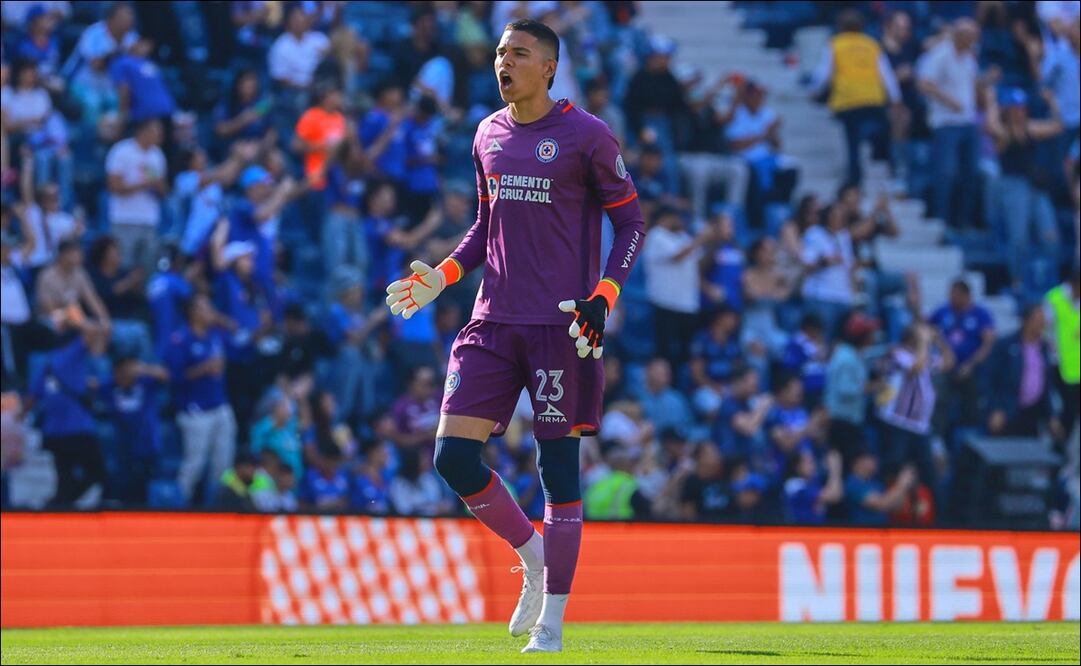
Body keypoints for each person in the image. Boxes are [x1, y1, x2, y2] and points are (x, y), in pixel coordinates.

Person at [383, 19, 644, 653]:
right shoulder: (486, 133)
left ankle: (552, 624)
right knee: (452, 457)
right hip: (492, 320)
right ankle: (531, 555)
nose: (505, 62)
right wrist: (441, 278)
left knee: (558, 472)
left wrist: (602, 298)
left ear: (549, 67)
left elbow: (632, 223)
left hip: (559, 325)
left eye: (519, 54)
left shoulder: (587, 136)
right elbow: (483, 226)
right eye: (501, 52)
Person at [811, 10, 900, 185]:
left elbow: (824, 72)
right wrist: (896, 97)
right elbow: (886, 73)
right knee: (876, 130)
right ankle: (887, 163)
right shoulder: (871, 44)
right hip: (872, 97)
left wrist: (814, 90)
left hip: (848, 99)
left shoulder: (836, 44)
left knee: (852, 141)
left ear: (840, 27)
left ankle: (855, 176)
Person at [167, 293, 237, 506]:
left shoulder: (215, 335)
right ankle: (179, 507)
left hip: (220, 406)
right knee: (194, 464)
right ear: (193, 313)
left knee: (223, 464)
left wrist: (224, 321)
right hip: (195, 411)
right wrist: (203, 369)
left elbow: (239, 341)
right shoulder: (181, 339)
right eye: (204, 308)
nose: (209, 312)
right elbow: (173, 376)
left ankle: (217, 507)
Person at [918, 18, 981, 229]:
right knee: (946, 173)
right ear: (959, 35)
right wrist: (949, 101)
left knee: (970, 174)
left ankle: (962, 222)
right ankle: (942, 221)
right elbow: (924, 83)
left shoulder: (970, 58)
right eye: (970, 36)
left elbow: (971, 86)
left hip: (968, 122)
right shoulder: (941, 54)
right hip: (946, 123)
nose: (974, 40)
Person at [643, 206, 710, 369]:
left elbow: (699, 263)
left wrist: (711, 242)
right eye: (676, 217)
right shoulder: (656, 235)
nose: (680, 221)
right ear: (665, 218)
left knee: (685, 355)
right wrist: (701, 239)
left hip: (687, 305)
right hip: (665, 303)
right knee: (664, 353)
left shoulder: (683, 237)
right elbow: (677, 256)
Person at [987, 305, 1061, 439]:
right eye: (1039, 319)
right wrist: (996, 408)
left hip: (1033, 414)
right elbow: (989, 379)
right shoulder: (1006, 345)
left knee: (1030, 454)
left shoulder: (1045, 348)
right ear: (1027, 321)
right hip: (1007, 411)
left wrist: (1051, 416)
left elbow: (1046, 384)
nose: (1043, 323)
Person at [930, 279, 995, 429]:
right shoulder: (943, 311)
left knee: (974, 400)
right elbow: (927, 329)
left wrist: (971, 364)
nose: (952, 298)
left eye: (955, 295)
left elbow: (988, 343)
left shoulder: (981, 314)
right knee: (938, 395)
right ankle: (937, 437)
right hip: (946, 367)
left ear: (967, 296)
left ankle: (970, 436)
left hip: (972, 369)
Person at [105, 118, 168, 272]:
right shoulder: (121, 151)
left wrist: (158, 185)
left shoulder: (157, 155)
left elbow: (164, 192)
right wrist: (143, 184)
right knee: (123, 266)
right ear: (143, 132)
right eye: (156, 132)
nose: (160, 136)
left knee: (148, 268)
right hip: (124, 219)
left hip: (150, 220)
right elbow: (113, 186)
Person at [1044, 269, 1080, 440]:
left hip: (1077, 365)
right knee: (1066, 411)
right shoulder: (1055, 299)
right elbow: (1046, 330)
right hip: (1059, 364)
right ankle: (1059, 449)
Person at [845, 452, 917, 525]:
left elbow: (894, 507)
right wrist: (901, 484)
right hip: (862, 531)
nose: (875, 461)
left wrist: (905, 486)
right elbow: (881, 504)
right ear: (858, 462)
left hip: (882, 530)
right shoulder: (853, 483)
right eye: (870, 458)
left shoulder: (875, 483)